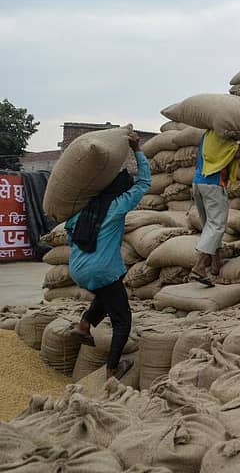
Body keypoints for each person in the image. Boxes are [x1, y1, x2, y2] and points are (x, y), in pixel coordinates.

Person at [66, 131, 149, 379]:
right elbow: (144, 183)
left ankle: (84, 325)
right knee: (123, 319)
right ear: (119, 191)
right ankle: (113, 369)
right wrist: (137, 150)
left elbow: (70, 235)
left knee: (108, 290)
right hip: (101, 269)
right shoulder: (117, 205)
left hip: (77, 268)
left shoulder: (83, 209)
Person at [191, 119, 240, 284]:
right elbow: (237, 153)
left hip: (198, 183)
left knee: (210, 226)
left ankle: (215, 264)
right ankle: (199, 266)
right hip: (213, 185)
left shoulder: (207, 135)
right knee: (217, 226)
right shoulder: (222, 138)